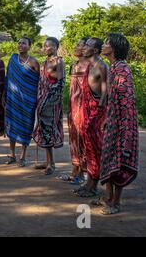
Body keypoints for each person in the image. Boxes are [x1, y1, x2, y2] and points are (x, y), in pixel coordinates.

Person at [95, 33, 139, 215]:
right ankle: (108, 197)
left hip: (123, 123)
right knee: (109, 157)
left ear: (113, 48)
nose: (103, 45)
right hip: (114, 120)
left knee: (119, 160)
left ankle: (116, 202)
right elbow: (114, 99)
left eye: (106, 43)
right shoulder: (114, 68)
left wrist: (123, 126)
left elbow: (127, 100)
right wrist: (108, 118)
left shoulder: (122, 69)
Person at [75, 38, 108, 197]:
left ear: (95, 50)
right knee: (88, 146)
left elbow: (106, 91)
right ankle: (89, 182)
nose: (84, 48)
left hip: (97, 112)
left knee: (96, 147)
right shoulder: (89, 66)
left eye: (88, 46)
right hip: (87, 110)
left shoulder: (102, 66)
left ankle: (94, 184)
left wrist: (99, 112)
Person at [4, 37, 40, 167]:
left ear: (30, 46)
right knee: (12, 124)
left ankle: (23, 157)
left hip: (28, 101)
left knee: (26, 126)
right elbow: (8, 78)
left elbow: (38, 83)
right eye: (19, 43)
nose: (20, 45)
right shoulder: (13, 59)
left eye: (24, 43)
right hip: (13, 99)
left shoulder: (34, 63)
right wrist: (4, 95)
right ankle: (12, 154)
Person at [32, 37, 65, 175]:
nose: (46, 48)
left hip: (51, 101)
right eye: (45, 46)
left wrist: (48, 99)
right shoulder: (44, 62)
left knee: (49, 129)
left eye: (50, 46)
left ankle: (52, 164)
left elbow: (60, 83)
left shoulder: (59, 61)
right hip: (42, 99)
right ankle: (47, 161)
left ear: (56, 47)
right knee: (43, 129)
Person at [64, 37, 89, 184]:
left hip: (85, 109)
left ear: (86, 48)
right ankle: (75, 170)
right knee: (74, 139)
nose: (76, 47)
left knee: (84, 140)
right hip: (73, 108)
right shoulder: (74, 65)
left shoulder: (92, 66)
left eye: (79, 44)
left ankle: (84, 172)